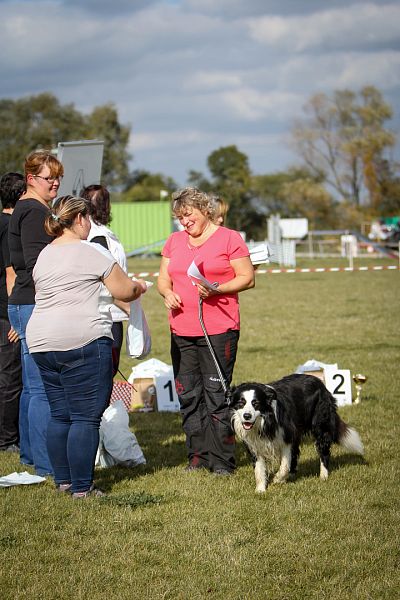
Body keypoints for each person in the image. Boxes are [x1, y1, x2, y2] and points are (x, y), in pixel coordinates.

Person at [26, 196, 147, 498]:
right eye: (89, 218)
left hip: (42, 341)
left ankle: (64, 481)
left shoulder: (44, 255)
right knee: (85, 417)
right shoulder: (91, 251)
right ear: (79, 219)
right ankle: (82, 488)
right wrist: (139, 286)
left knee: (60, 414)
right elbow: (124, 290)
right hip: (81, 338)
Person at [157, 187, 255, 475]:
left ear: (205, 210)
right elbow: (163, 279)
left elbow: (247, 278)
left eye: (188, 216)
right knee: (189, 395)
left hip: (219, 329)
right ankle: (197, 457)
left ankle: (222, 461)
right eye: (179, 218)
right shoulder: (174, 241)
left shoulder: (229, 238)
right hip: (181, 330)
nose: (184, 223)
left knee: (216, 395)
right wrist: (166, 294)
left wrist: (217, 289)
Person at [8, 150, 64, 475]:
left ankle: (31, 456)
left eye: (58, 176)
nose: (55, 182)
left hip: (25, 301)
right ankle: (45, 463)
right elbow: (35, 261)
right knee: (41, 385)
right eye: (49, 177)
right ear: (31, 179)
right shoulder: (31, 210)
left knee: (32, 386)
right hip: (32, 301)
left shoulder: (32, 207)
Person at [80, 184, 129, 379]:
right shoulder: (98, 236)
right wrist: (129, 307)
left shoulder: (99, 233)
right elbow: (104, 278)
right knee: (106, 368)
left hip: (108, 310)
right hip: (107, 312)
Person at [0, 173, 24, 453]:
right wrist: (16, 316)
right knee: (10, 377)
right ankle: (7, 440)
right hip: (6, 313)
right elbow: (12, 273)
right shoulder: (10, 227)